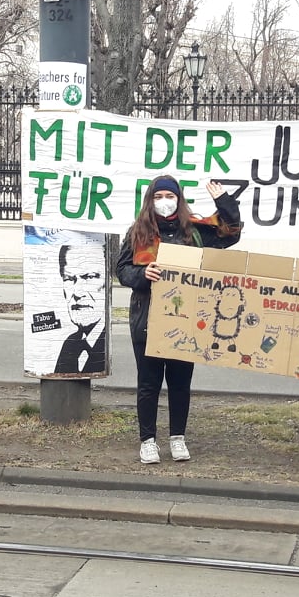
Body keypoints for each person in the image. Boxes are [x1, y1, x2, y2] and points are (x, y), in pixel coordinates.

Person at [115, 176, 242, 464]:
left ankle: (177, 438)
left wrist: (224, 202)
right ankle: (147, 440)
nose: (164, 201)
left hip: (186, 321)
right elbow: (121, 270)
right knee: (148, 384)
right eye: (158, 196)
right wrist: (141, 275)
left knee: (180, 383)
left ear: (179, 199)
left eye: (169, 196)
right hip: (147, 319)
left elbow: (231, 232)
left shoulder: (195, 232)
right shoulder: (138, 232)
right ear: (150, 200)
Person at [54, 242, 108, 375]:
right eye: (69, 279)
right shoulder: (70, 344)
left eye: (89, 277)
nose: (78, 293)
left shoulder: (107, 344)